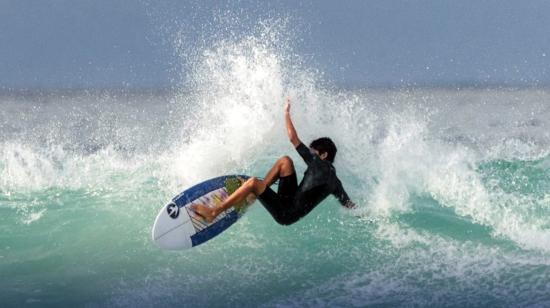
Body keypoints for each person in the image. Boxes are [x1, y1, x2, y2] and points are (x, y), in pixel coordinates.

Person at [192, 98, 355, 225]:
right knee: (286, 161)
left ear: (323, 154)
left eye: (313, 151)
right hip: (290, 203)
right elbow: (349, 205)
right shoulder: (336, 183)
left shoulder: (318, 163)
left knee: (254, 182)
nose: (311, 153)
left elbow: (293, 138)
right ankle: (254, 194)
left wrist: (286, 113)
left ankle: (214, 211)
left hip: (286, 213)